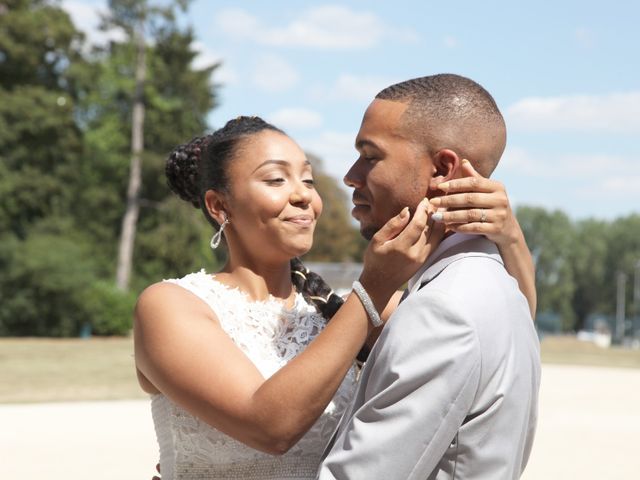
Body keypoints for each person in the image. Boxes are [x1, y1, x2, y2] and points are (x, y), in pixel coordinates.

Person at [135, 115, 534, 480]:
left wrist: (508, 235)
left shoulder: (340, 310)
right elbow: (270, 428)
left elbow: (501, 327)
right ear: (219, 205)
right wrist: (373, 287)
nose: (302, 195)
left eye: (307, 181)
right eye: (276, 180)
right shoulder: (171, 305)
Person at [317, 74, 541, 480]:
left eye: (370, 155)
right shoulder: (498, 288)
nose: (350, 175)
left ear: (442, 167)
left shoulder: (443, 310)